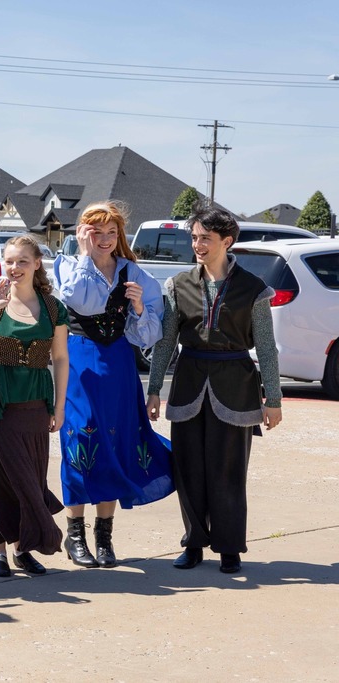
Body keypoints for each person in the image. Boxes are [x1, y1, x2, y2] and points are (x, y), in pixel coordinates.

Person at [146, 207, 282, 574]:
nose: (197, 245)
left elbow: (266, 347)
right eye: (194, 238)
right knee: (187, 469)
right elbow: (166, 342)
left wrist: (274, 399)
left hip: (236, 387)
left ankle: (228, 546)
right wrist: (155, 388)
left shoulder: (253, 288)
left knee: (229, 471)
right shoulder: (178, 284)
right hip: (189, 384)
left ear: (227, 241)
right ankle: (193, 543)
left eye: (205, 238)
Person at [53, 201, 173, 569]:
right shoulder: (67, 265)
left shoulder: (134, 272)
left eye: (111, 233)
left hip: (119, 362)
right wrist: (86, 255)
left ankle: (104, 537)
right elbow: (80, 301)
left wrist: (139, 309)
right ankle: (75, 534)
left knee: (116, 442)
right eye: (96, 232)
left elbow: (149, 334)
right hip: (78, 361)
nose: (105, 240)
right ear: (82, 234)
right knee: (80, 439)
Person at [0, 235, 69, 577]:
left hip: (35, 402)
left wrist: (59, 407)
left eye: (23, 261)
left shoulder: (53, 307)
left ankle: (23, 548)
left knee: (31, 477)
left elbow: (60, 358)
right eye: (10, 261)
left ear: (37, 264)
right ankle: (0, 552)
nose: (15, 268)